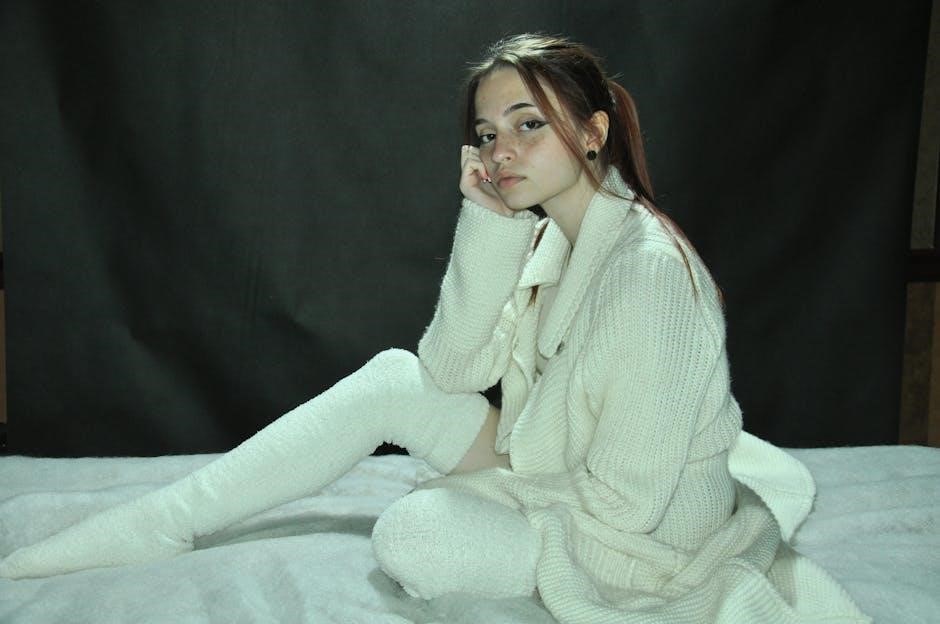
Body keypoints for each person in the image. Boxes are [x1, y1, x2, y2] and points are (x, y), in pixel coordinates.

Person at [1, 34, 868, 623]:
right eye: (487, 135)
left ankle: (188, 518)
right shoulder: (552, 241)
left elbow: (628, 509)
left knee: (414, 535)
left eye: (530, 125)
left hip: (634, 548)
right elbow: (448, 370)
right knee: (394, 378)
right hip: (563, 483)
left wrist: (485, 496)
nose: (502, 151)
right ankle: (168, 519)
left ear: (593, 132)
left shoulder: (647, 275)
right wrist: (487, 221)